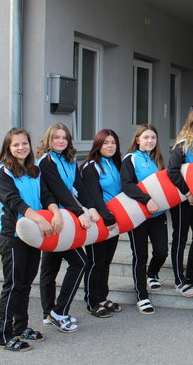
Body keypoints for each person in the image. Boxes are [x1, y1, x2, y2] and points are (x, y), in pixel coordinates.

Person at [0, 128, 62, 351]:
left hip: (33, 237)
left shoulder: (34, 170)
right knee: (12, 286)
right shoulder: (3, 172)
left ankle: (21, 328)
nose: (21, 148)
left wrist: (55, 213)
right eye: (16, 145)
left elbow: (46, 196)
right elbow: (13, 201)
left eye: (24, 144)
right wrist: (39, 220)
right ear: (8, 148)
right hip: (13, 237)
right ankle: (6, 336)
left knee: (24, 285)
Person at [36, 123, 96, 332]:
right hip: (55, 218)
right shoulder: (46, 161)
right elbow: (59, 191)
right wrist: (80, 212)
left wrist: (90, 208)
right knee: (79, 262)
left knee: (50, 266)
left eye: (64, 138)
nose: (60, 141)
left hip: (68, 216)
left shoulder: (70, 161)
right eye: (56, 138)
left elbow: (79, 188)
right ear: (49, 140)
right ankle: (57, 312)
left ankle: (49, 313)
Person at [121, 124, 168, 314]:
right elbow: (127, 185)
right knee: (140, 256)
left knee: (162, 251)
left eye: (153, 138)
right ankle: (142, 295)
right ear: (138, 139)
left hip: (158, 214)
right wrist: (146, 200)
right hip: (138, 215)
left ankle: (152, 273)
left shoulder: (156, 159)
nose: (150, 141)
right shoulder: (129, 159)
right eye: (146, 137)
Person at [81, 129, 123, 318]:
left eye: (113, 142)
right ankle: (91, 301)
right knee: (95, 262)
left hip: (114, 220)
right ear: (98, 144)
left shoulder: (115, 163)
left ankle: (102, 296)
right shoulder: (91, 166)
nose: (110, 146)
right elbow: (94, 196)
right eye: (105, 143)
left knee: (106, 262)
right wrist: (107, 218)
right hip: (99, 220)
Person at [167, 110, 193, 297]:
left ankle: (191, 275)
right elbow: (172, 172)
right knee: (181, 238)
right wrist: (188, 193)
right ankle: (178, 280)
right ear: (191, 125)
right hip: (182, 199)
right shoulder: (182, 145)